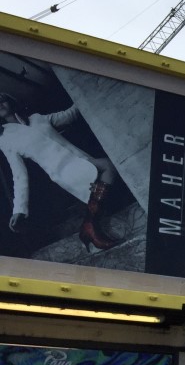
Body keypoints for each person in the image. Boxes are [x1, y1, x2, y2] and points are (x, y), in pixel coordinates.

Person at [0, 92, 121, 250]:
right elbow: (18, 175)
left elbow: (69, 115)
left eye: (1, 99)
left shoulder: (36, 119)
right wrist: (19, 209)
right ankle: (90, 226)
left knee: (106, 182)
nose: (0, 104)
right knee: (108, 167)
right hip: (64, 171)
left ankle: (90, 227)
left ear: (10, 101)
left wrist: (81, 94)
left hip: (81, 159)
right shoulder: (5, 140)